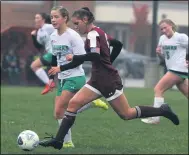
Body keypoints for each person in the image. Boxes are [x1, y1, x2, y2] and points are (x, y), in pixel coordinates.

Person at [39, 7, 179, 150]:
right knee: (73, 104)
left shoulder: (93, 34)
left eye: (76, 23)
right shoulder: (100, 32)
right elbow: (118, 44)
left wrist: (76, 57)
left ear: (85, 20)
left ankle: (162, 110)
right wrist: (108, 62)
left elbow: (95, 56)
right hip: (96, 80)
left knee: (127, 114)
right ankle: (58, 141)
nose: (75, 27)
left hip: (108, 81)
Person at [38, 6, 109, 148]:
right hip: (62, 78)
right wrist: (52, 79)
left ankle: (66, 142)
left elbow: (80, 59)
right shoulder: (53, 36)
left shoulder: (73, 36)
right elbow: (54, 58)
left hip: (75, 77)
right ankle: (89, 105)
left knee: (63, 108)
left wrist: (61, 68)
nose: (53, 20)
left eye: (56, 17)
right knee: (58, 113)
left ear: (65, 18)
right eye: (51, 17)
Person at [141, 19, 188, 124]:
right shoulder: (162, 38)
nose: (163, 30)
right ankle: (155, 118)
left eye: (165, 27)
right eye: (161, 29)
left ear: (171, 25)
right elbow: (163, 58)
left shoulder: (181, 37)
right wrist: (158, 53)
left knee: (158, 89)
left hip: (178, 69)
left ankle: (155, 119)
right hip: (174, 70)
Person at [30, 13, 56, 95]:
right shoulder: (39, 33)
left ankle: (49, 84)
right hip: (51, 54)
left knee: (34, 65)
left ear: (43, 19)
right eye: (35, 18)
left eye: (38, 18)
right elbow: (39, 47)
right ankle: (49, 83)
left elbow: (61, 29)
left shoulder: (48, 27)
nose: (36, 20)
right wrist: (33, 37)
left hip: (55, 53)